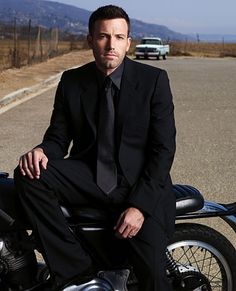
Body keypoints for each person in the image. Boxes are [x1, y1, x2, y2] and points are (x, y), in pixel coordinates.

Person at [12, 5, 176, 291]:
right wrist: (41, 151)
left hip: (137, 183)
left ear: (128, 42)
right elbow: (58, 139)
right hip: (89, 174)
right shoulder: (72, 81)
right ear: (90, 40)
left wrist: (139, 207)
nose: (110, 45)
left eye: (118, 37)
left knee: (153, 274)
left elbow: (163, 151)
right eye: (103, 36)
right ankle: (76, 271)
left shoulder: (154, 81)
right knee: (28, 173)